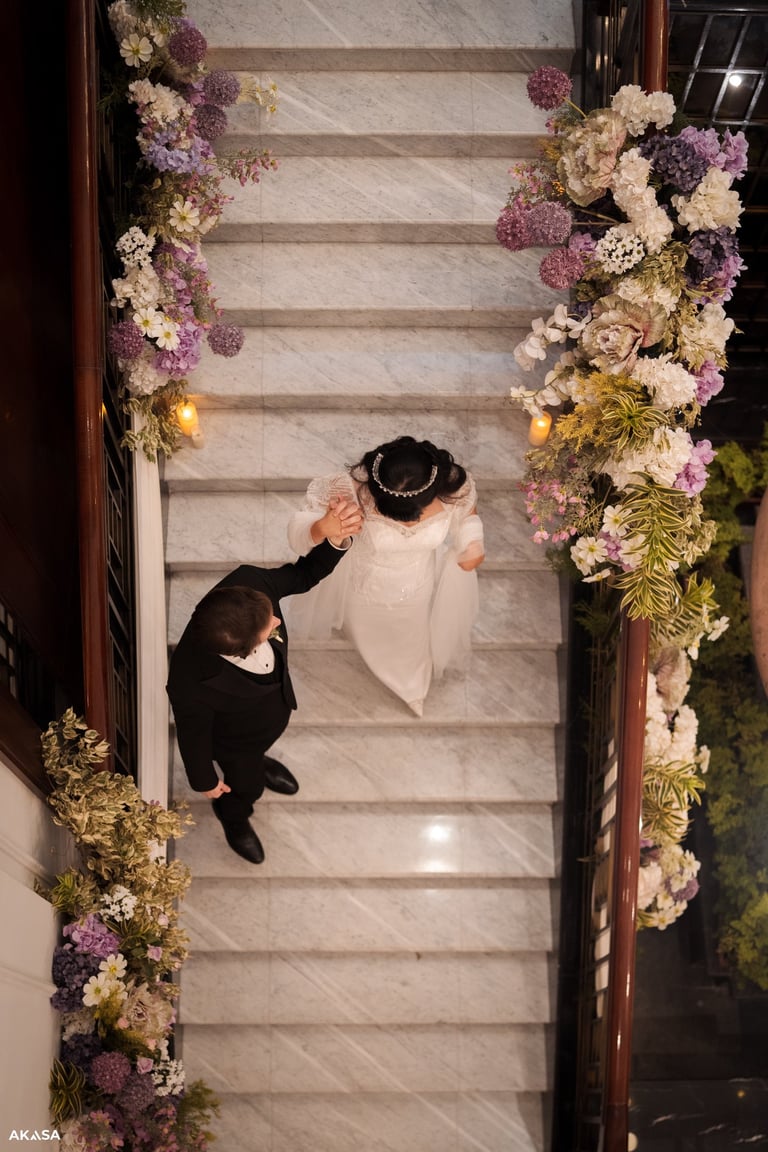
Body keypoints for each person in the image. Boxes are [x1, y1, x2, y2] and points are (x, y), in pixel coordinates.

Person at [167, 499, 362, 863]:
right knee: (246, 786)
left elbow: (303, 575)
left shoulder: (250, 585)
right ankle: (234, 818)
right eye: (267, 628)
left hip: (271, 712)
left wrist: (334, 539)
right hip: (234, 742)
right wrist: (204, 780)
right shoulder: (190, 681)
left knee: (259, 756)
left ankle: (261, 761)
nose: (277, 622)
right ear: (240, 650)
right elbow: (192, 734)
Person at [286, 436, 485, 716]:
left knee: (411, 637)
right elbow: (298, 536)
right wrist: (323, 527)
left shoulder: (453, 488)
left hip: (417, 586)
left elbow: (468, 517)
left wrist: (472, 543)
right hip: (363, 586)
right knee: (363, 629)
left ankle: (411, 684)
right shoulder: (348, 490)